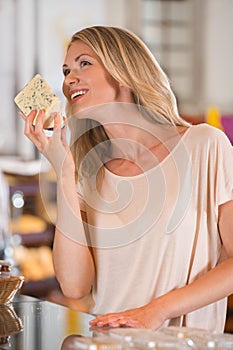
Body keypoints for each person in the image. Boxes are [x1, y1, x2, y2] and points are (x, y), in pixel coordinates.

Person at [23, 25, 233, 333]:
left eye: (84, 63)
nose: (69, 79)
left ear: (122, 70)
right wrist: (65, 171)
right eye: (66, 70)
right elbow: (74, 286)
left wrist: (156, 311)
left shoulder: (205, 145)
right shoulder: (87, 171)